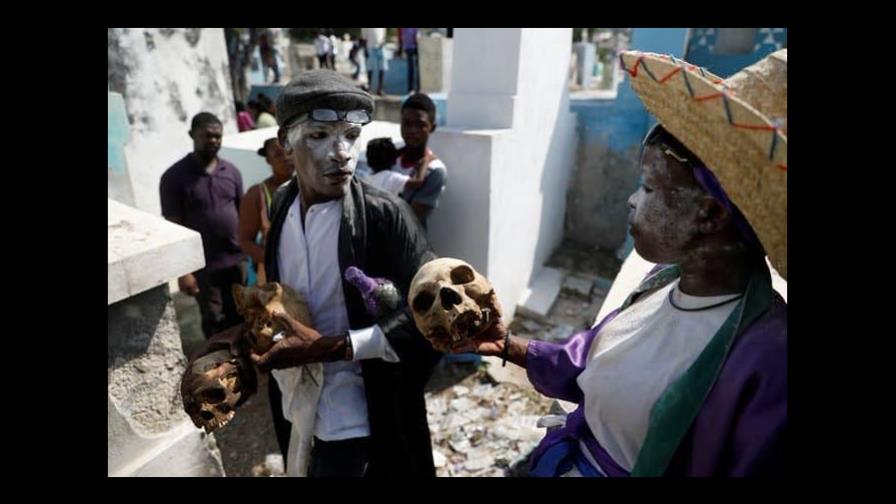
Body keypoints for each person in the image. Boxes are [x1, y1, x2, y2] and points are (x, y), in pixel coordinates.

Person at [450, 50, 788, 477]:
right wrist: (506, 345)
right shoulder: (661, 284)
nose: (632, 200)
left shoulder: (768, 357)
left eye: (648, 187)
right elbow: (594, 362)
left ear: (710, 215)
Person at [192, 70, 443, 477]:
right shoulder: (282, 205)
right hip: (297, 402)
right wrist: (243, 333)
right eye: (319, 136)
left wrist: (337, 346)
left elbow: (432, 319)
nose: (341, 152)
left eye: (349, 135)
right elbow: (284, 301)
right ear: (285, 145)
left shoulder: (383, 216)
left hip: (360, 413)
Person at [160, 112, 246, 338]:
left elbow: (241, 213)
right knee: (214, 321)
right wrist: (184, 272)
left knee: (243, 315)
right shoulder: (174, 177)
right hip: (203, 267)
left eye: (218, 136)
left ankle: (246, 367)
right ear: (192, 134)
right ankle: (220, 369)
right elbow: (173, 228)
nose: (214, 141)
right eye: (208, 135)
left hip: (236, 261)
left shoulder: (232, 171)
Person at [237, 136, 296, 465]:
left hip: (300, 289)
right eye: (277, 154)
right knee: (275, 348)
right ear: (267, 159)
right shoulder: (258, 195)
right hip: (269, 288)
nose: (285, 158)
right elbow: (244, 240)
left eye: (288, 151)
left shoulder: (308, 187)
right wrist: (273, 259)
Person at [393, 93, 446, 229]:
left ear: (432, 128)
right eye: (407, 123)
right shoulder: (389, 158)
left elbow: (409, 221)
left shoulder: (434, 171)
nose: (412, 130)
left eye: (420, 124)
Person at [362, 137, 430, 196]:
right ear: (394, 160)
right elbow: (417, 182)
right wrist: (426, 160)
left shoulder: (367, 176)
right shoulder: (391, 177)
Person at [362, 28, 388, 95]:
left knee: (382, 68)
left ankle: (380, 89)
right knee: (370, 67)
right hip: (370, 46)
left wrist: (383, 42)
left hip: (381, 47)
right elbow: (364, 36)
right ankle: (369, 86)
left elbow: (384, 34)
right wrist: (365, 48)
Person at [398, 28, 420, 94]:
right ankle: (413, 89)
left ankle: (414, 89)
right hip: (411, 48)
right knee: (413, 69)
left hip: (413, 47)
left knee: (415, 70)